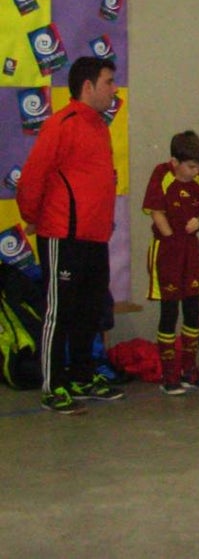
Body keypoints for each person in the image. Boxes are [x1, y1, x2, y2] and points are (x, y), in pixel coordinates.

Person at [17, 56, 124, 414]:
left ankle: (81, 375)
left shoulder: (100, 126)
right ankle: (53, 386)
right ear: (88, 86)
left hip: (95, 238)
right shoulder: (61, 123)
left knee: (89, 311)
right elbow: (33, 177)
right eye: (109, 82)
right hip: (63, 235)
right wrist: (33, 217)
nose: (113, 89)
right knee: (58, 312)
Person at [143, 130, 199, 394]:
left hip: (190, 251)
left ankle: (189, 368)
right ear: (175, 162)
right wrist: (171, 238)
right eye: (191, 167)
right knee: (169, 311)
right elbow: (157, 213)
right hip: (166, 249)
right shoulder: (161, 175)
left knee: (193, 308)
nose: (196, 172)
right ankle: (169, 374)